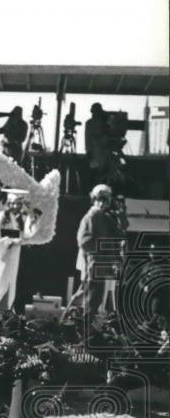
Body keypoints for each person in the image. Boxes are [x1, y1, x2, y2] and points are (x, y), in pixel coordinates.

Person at [0, 189, 39, 314]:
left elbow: (29, 233)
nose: (15, 206)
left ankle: (3, 315)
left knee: (9, 290)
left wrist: (30, 213)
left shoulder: (20, 219)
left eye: (18, 203)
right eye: (12, 203)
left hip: (12, 261)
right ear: (7, 203)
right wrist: (8, 241)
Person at [76, 184, 117, 319]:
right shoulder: (91, 217)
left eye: (106, 200)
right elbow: (84, 242)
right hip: (93, 265)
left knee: (97, 298)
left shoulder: (104, 217)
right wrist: (101, 251)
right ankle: (84, 329)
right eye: (101, 199)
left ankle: (88, 327)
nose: (103, 203)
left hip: (101, 265)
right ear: (94, 199)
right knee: (91, 299)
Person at [84, 102, 110, 192]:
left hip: (97, 153)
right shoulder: (101, 124)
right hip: (98, 153)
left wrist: (88, 151)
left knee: (97, 174)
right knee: (98, 174)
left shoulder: (90, 123)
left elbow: (87, 139)